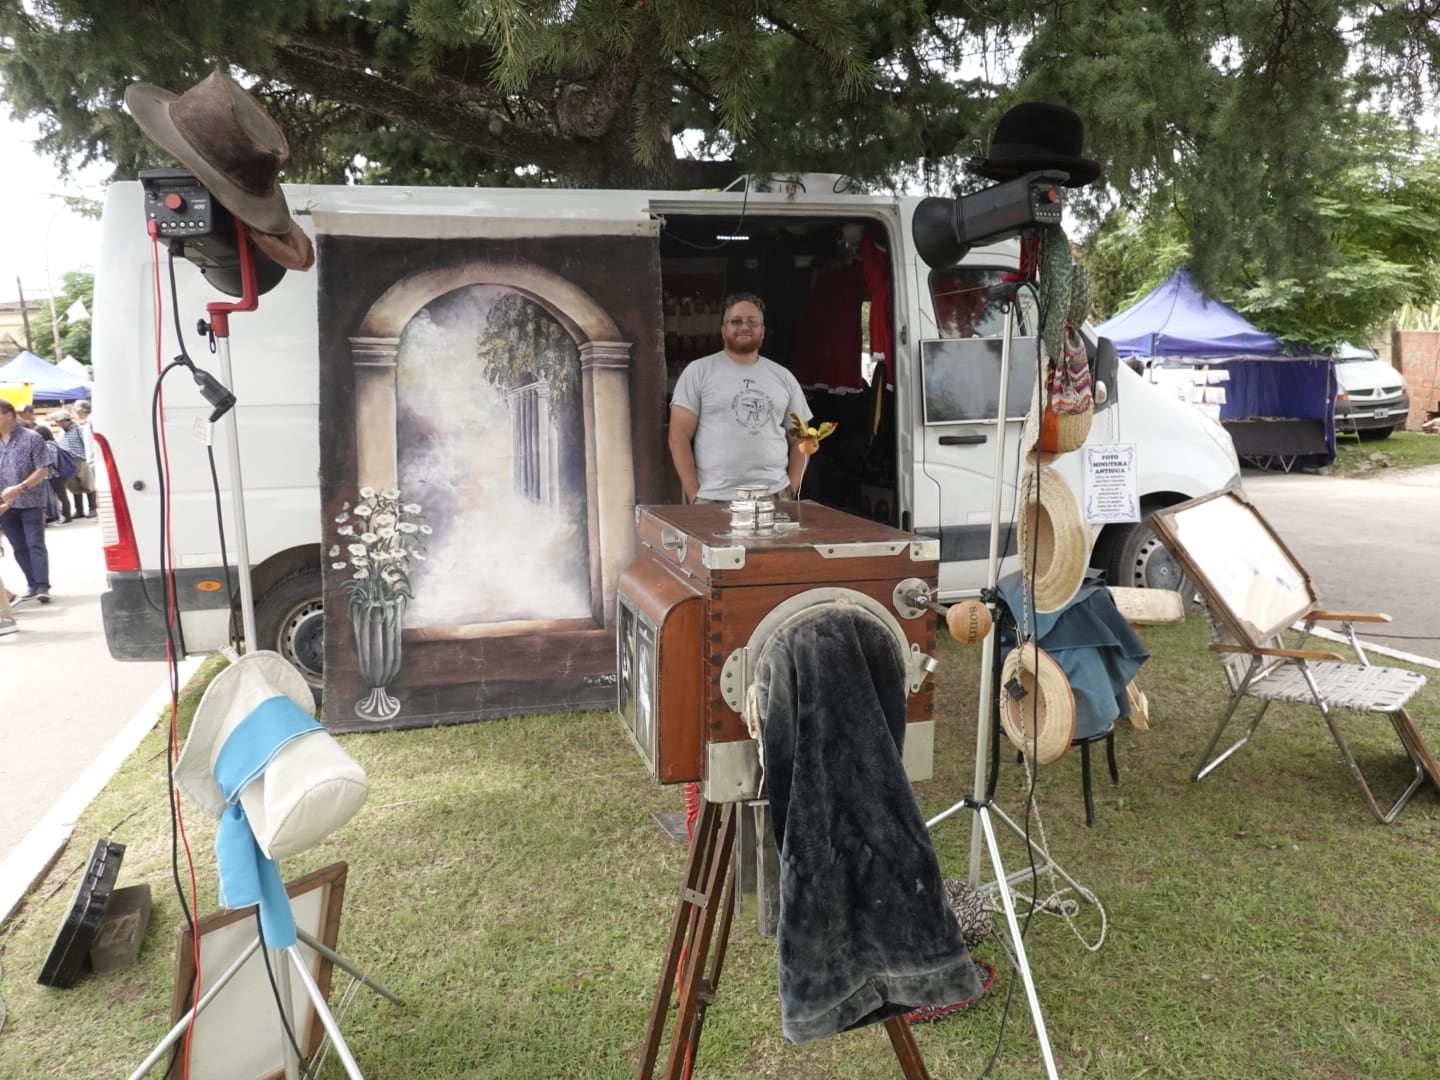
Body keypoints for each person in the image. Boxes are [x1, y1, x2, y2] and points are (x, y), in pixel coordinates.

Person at [668, 293, 812, 503]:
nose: (745, 327)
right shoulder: (698, 372)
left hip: (775, 496)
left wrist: (791, 487)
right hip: (714, 498)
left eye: (753, 322)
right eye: (736, 321)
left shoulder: (783, 377)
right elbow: (678, 437)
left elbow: (803, 438)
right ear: (723, 330)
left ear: (762, 331)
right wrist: (694, 495)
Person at [0, 399, 53, 603]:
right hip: (5, 506)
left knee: (35, 543)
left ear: (9, 415)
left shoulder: (32, 438)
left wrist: (21, 487)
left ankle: (42, 585)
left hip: (29, 500)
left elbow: (43, 468)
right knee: (18, 546)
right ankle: (31, 583)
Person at [52, 410, 87, 522]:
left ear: (64, 420)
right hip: (68, 462)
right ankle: (79, 510)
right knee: (74, 487)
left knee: (86, 484)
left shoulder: (78, 429)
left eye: (58, 421)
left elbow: (86, 443)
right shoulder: (62, 432)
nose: (57, 423)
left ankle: (92, 508)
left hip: (80, 459)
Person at [69, 400, 98, 518]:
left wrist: (89, 459)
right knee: (77, 487)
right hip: (89, 458)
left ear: (82, 410)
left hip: (89, 459)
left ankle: (93, 508)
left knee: (89, 486)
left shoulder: (90, 421)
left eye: (77, 410)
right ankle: (80, 510)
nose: (76, 412)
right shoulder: (86, 423)